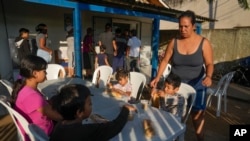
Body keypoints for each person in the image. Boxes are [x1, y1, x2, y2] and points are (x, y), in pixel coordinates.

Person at [150, 10, 214, 141]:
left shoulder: (204, 43)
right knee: (168, 109)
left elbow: (209, 63)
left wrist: (208, 76)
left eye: (186, 26)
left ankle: (200, 138)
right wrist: (157, 77)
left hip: (197, 84)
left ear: (194, 26)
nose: (183, 29)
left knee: (197, 114)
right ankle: (169, 135)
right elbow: (165, 60)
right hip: (174, 83)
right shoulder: (174, 42)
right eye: (180, 26)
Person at [49, 84, 136, 141]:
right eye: (90, 104)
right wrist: (125, 110)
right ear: (79, 112)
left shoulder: (59, 125)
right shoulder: (85, 131)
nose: (92, 105)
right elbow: (115, 127)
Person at [11, 55, 62, 139]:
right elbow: (58, 117)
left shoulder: (26, 89)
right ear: (35, 73)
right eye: (44, 71)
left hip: (37, 131)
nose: (46, 73)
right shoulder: (31, 96)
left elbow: (43, 106)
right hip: (43, 135)